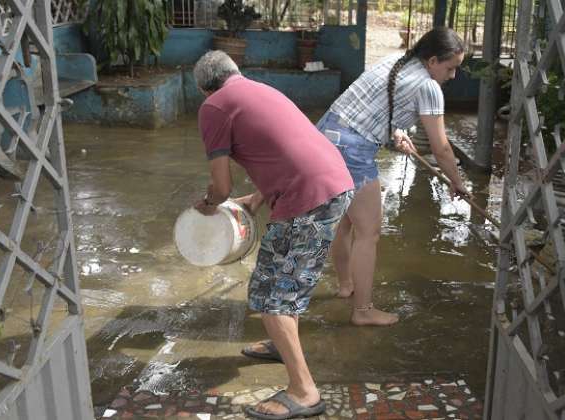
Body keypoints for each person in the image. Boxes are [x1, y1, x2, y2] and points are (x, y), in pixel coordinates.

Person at [192, 50, 353, 420]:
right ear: (235, 72)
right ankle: (284, 344)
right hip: (333, 185)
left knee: (271, 296)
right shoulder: (260, 90)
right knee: (283, 283)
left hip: (308, 199)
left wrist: (207, 203)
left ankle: (303, 391)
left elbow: (220, 185)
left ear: (204, 89)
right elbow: (287, 150)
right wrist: (256, 198)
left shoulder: (213, 107)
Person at [315, 27, 469, 326]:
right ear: (434, 60)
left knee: (345, 223)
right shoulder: (428, 87)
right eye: (450, 68)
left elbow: (369, 105)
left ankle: (346, 285)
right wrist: (457, 181)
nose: (452, 76)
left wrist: (394, 132)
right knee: (368, 232)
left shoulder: (396, 61)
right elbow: (442, 148)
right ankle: (363, 311)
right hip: (352, 149)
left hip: (327, 134)